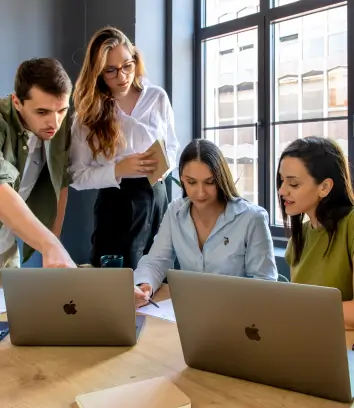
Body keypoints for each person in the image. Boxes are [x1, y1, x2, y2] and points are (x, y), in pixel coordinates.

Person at [69, 26, 179, 268]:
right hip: (117, 204)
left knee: (157, 278)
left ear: (135, 60)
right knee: (114, 285)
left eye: (128, 65)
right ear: (97, 73)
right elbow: (76, 176)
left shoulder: (157, 97)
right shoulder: (88, 116)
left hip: (157, 196)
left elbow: (172, 146)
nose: (122, 76)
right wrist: (118, 169)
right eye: (111, 71)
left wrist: (164, 167)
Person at [134, 139, 278, 306]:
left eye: (209, 182)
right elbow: (156, 261)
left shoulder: (252, 218)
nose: (200, 192)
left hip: (239, 316)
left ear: (221, 179)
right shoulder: (175, 211)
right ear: (182, 179)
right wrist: (145, 285)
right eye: (191, 182)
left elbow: (264, 284)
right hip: (191, 311)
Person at [0, 58, 76, 269]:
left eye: (61, 110)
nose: (54, 123)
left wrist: (55, 241)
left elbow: (61, 180)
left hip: (6, 250)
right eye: (42, 112)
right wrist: (50, 246)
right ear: (17, 102)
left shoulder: (58, 123)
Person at [277, 136, 354, 328]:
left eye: (293, 184)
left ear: (324, 187)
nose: (281, 191)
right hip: (310, 341)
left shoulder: (351, 224)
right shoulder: (299, 237)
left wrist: (301, 311)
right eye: (281, 181)